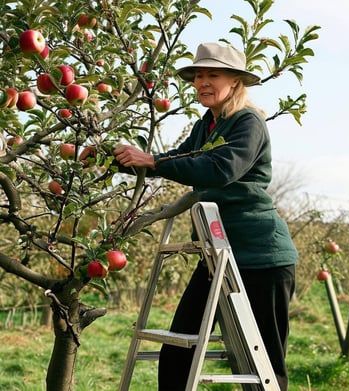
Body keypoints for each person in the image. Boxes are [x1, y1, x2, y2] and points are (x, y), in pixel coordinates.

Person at [81, 42, 298, 391]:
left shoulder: (248, 122)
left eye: (213, 74)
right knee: (178, 351)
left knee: (263, 363)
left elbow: (218, 169)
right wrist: (113, 157)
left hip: (261, 256)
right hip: (217, 253)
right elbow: (176, 159)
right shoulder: (207, 125)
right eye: (198, 75)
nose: (202, 82)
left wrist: (150, 160)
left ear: (235, 81)